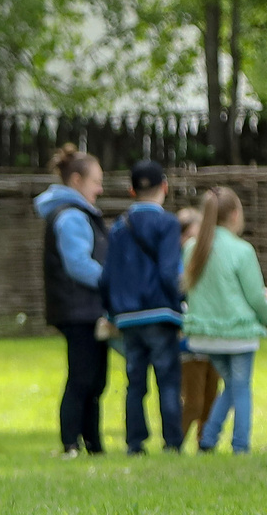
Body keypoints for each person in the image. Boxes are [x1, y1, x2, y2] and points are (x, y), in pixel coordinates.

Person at [178, 185, 267, 452]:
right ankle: (240, 444)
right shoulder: (241, 251)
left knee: (232, 384)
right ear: (234, 215)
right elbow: (256, 297)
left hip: (204, 335)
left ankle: (208, 440)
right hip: (238, 334)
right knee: (241, 387)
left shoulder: (192, 249)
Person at [104, 158, 188, 453]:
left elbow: (108, 274)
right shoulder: (167, 223)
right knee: (167, 381)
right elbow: (168, 272)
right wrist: (180, 302)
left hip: (127, 316)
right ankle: (172, 442)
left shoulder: (118, 226)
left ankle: (135, 442)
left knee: (134, 383)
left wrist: (111, 311)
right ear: (164, 187)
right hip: (160, 313)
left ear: (131, 191)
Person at [34, 144, 111, 456]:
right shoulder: (71, 217)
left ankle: (92, 444)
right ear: (77, 180)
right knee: (83, 378)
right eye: (96, 181)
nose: (100, 188)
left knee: (95, 380)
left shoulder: (77, 214)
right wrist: (111, 282)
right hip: (79, 309)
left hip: (84, 308)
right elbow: (78, 264)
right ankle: (71, 444)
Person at [174, 204, 218, 447]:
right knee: (193, 402)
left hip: (213, 337)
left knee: (212, 398)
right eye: (191, 236)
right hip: (188, 342)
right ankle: (174, 443)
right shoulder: (175, 263)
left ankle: (205, 444)